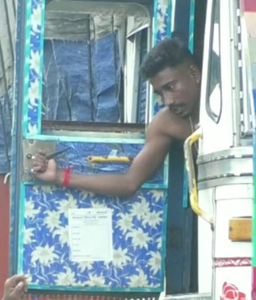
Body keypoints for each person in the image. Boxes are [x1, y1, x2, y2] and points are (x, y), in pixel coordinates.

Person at [31, 36, 202, 197]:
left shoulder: (220, 100)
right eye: (160, 94)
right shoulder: (166, 123)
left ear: (194, 74)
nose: (168, 101)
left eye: (171, 87)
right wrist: (59, 176)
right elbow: (128, 183)